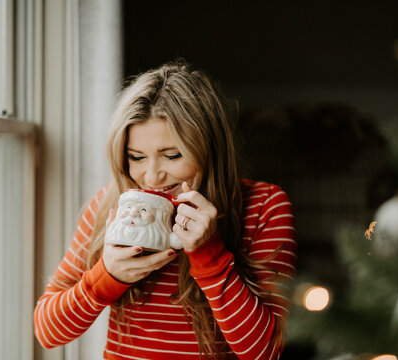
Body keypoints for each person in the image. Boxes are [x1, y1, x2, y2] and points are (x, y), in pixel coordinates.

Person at [34, 60, 296, 360]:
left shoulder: (264, 206)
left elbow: (266, 352)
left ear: (210, 149)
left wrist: (209, 254)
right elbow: (47, 331)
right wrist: (106, 276)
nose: (152, 176)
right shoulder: (111, 206)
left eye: (172, 155)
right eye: (136, 157)